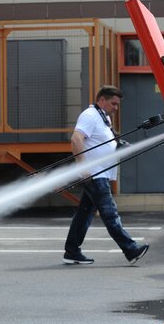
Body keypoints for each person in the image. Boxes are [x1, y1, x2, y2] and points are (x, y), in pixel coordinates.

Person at [63, 86, 149, 266]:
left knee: (84, 214)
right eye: (113, 104)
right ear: (102, 100)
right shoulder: (90, 116)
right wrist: (83, 166)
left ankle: (72, 251)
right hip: (94, 174)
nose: (116, 108)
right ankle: (130, 249)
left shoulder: (104, 118)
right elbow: (76, 139)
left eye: (118, 105)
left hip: (100, 174)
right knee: (110, 213)